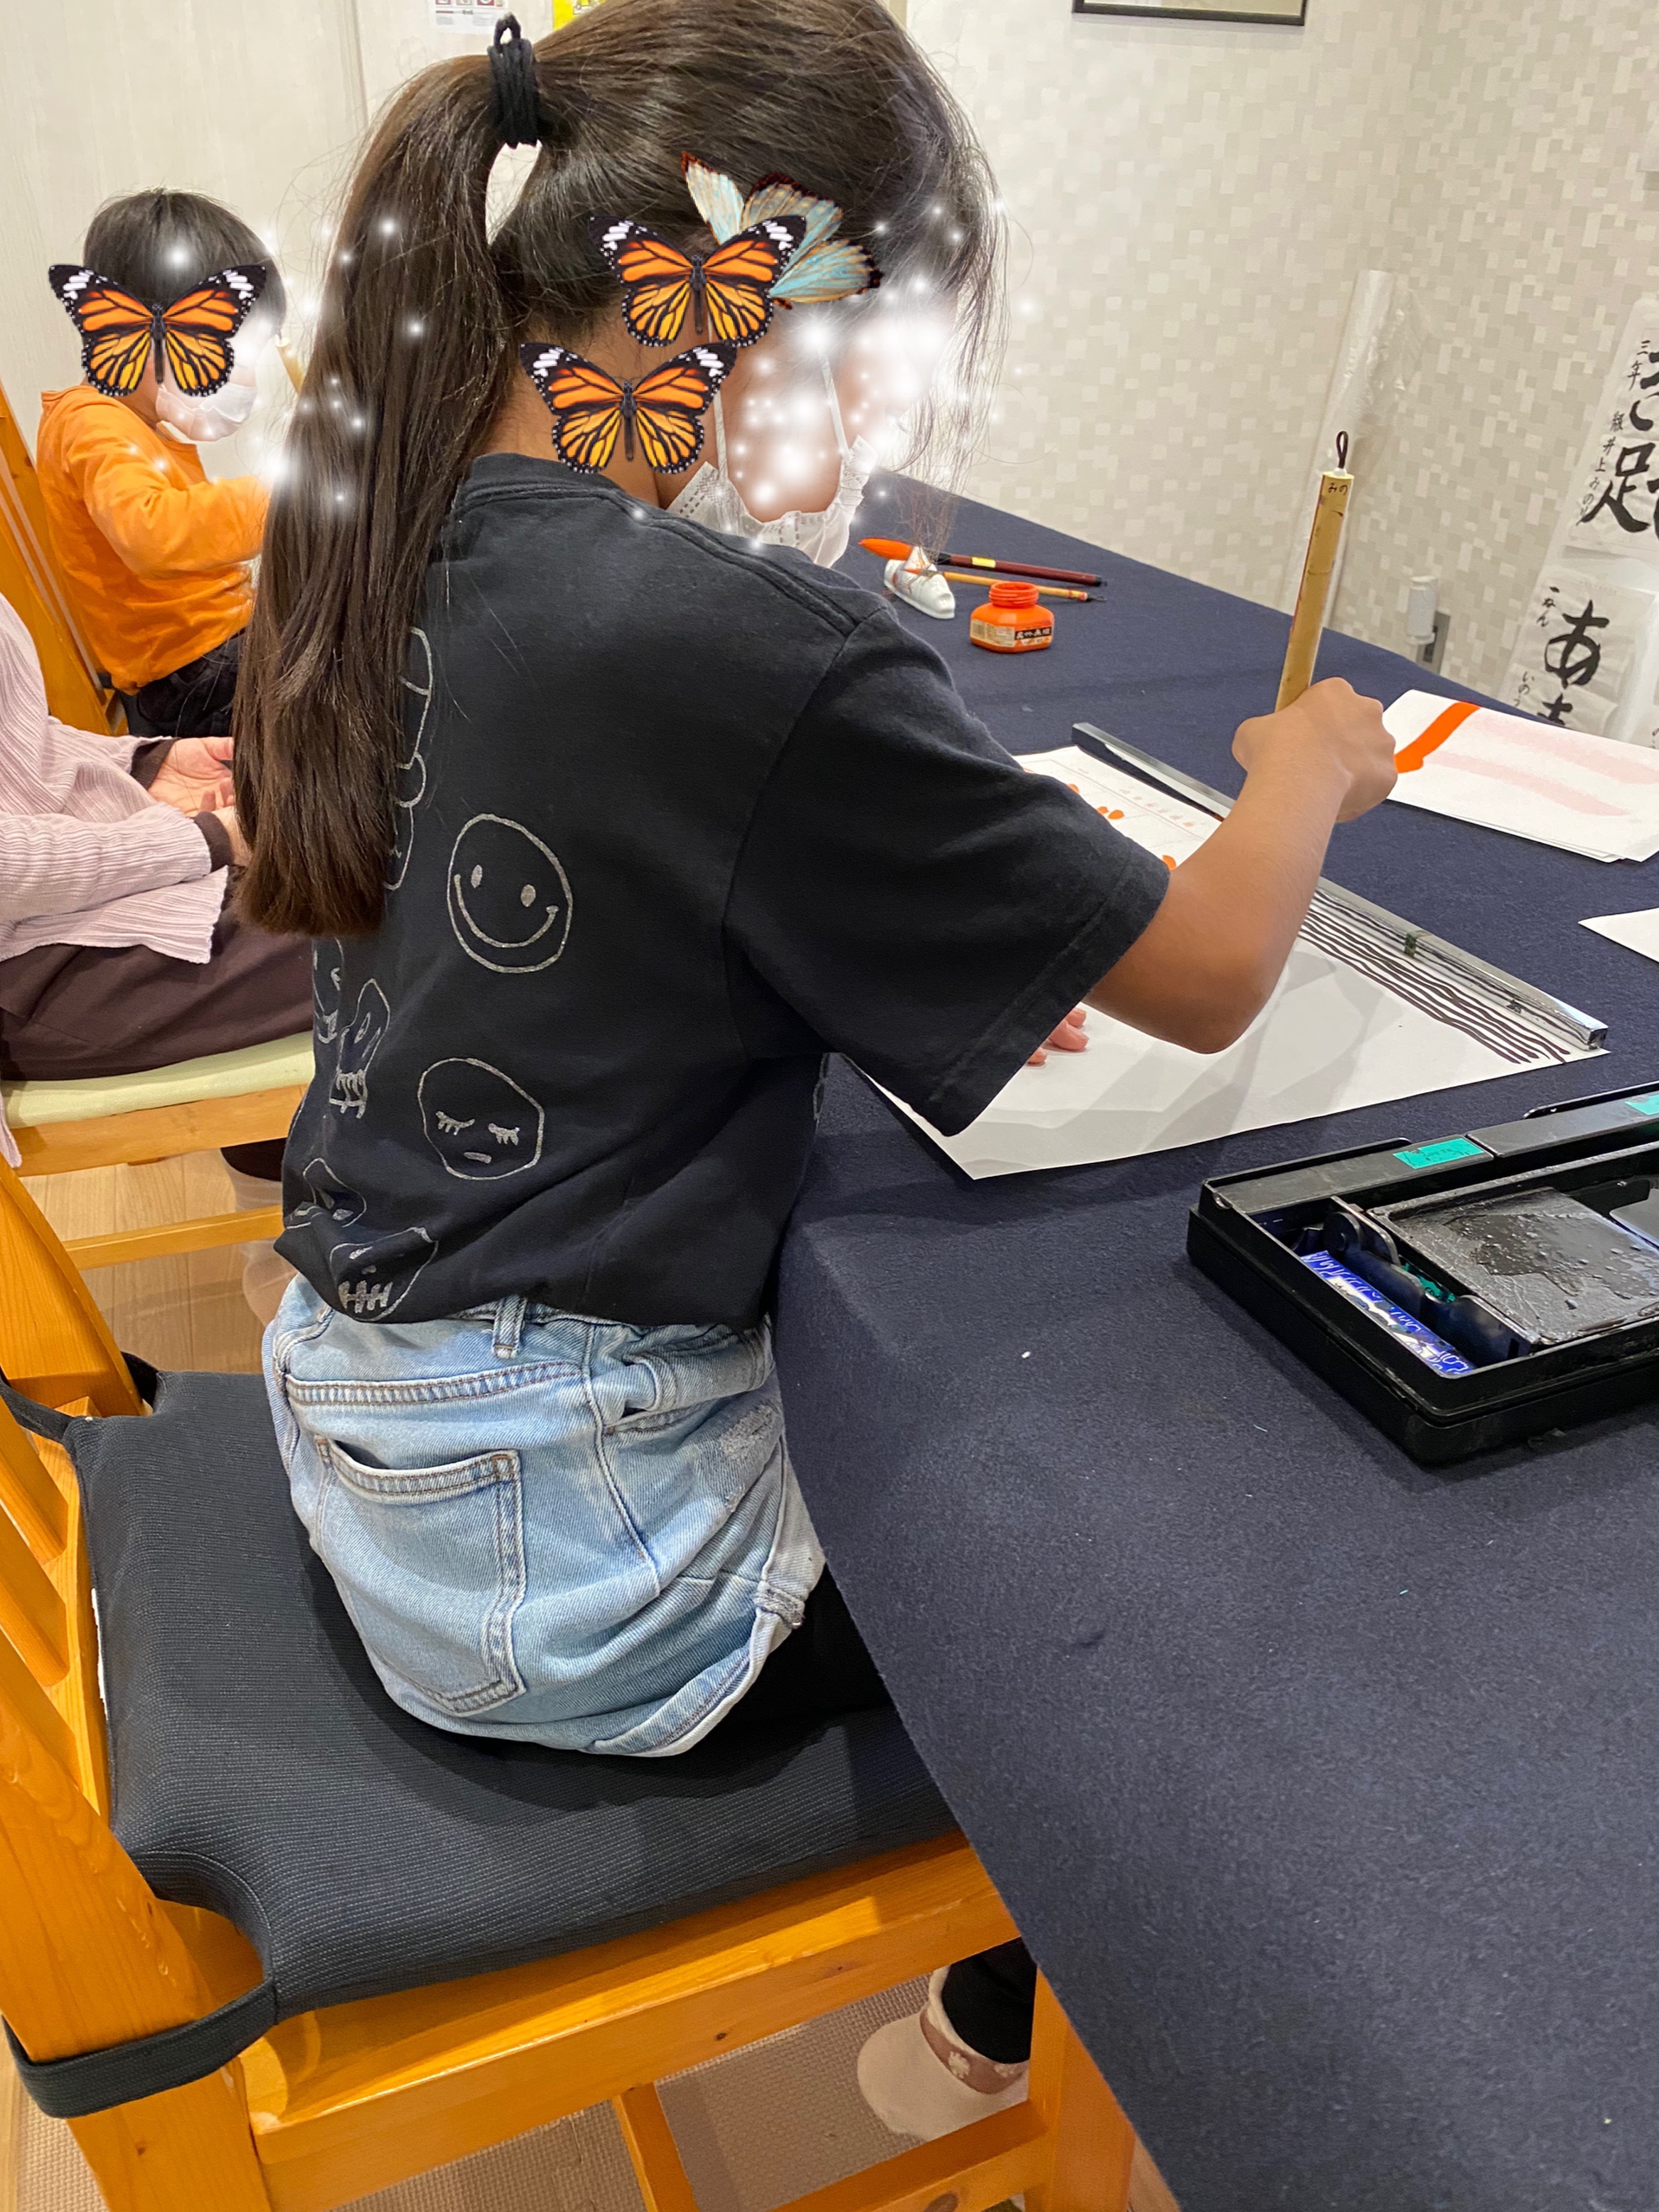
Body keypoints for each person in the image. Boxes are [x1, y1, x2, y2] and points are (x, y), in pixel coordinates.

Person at [234, 0, 1396, 2143]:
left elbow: (607, 896)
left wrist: (927, 928)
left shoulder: (388, 518)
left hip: (364, 1412)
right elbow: (1216, 969)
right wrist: (1307, 764)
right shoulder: (727, 635)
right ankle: (1011, 2017)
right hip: (564, 1561)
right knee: (1176, 1543)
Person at [0, 594, 311, 1321]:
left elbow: (20, 742)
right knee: (391, 919)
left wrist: (144, 763)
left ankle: (293, 1257)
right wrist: (206, 839)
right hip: (28, 963)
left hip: (56, 906)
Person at [36, 190, 284, 739]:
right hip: (192, 677)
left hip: (212, 658)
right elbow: (153, 533)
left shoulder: (137, 427)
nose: (242, 380)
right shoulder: (90, 422)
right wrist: (284, 497)